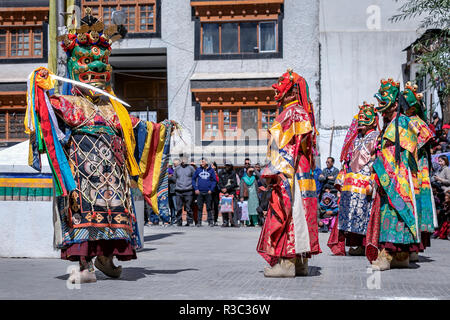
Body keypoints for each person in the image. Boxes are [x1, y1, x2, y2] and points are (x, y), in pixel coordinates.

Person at [25, 9, 176, 283]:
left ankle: (107, 258)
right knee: (82, 216)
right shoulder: (66, 102)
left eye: (101, 64)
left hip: (113, 177)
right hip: (82, 177)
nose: (96, 69)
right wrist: (38, 85)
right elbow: (42, 118)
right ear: (73, 67)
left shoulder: (113, 107)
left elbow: (135, 129)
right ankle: (83, 265)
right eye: (86, 62)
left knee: (115, 216)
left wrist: (161, 128)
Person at [257, 69, 321, 277]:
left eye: (281, 85)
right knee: (300, 212)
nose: (277, 89)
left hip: (290, 169)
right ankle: (300, 262)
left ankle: (286, 263)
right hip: (301, 169)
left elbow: (288, 146)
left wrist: (280, 172)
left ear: (293, 91)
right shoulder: (300, 112)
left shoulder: (292, 112)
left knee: (290, 211)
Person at [369, 78, 423, 271]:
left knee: (393, 213)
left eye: (384, 98)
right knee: (389, 213)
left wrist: (383, 168)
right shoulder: (390, 124)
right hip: (389, 174)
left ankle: (389, 255)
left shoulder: (402, 122)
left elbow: (404, 152)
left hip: (397, 176)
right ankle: (400, 257)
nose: (380, 103)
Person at [331, 102, 380, 256]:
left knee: (364, 213)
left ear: (373, 120)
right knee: (351, 214)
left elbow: (378, 159)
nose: (361, 121)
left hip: (366, 181)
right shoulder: (355, 139)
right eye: (360, 118)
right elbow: (348, 160)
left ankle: (366, 244)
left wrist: (374, 179)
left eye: (365, 117)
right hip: (351, 183)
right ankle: (355, 244)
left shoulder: (377, 137)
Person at [402, 82, 436, 260]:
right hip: (414, 170)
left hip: (414, 170)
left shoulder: (414, 123)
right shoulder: (411, 122)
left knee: (414, 204)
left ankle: (413, 247)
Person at [192, 158, 217, 227]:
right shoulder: (198, 170)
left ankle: (210, 222)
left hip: (208, 192)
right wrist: (196, 188)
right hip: (200, 192)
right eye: (201, 162)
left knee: (209, 208)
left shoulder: (211, 170)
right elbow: (193, 179)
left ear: (206, 162)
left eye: (202, 162)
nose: (201, 163)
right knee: (199, 208)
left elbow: (214, 181)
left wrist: (211, 189)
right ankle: (199, 222)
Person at [174, 157, 195, 226]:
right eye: (182, 160)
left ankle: (189, 221)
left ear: (187, 160)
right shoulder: (177, 168)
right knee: (179, 208)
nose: (183, 161)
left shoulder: (191, 168)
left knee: (189, 207)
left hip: (189, 190)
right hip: (178, 191)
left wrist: (194, 187)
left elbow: (194, 178)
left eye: (185, 159)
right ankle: (179, 221)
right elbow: (174, 178)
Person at [218, 160, 239, 227]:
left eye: (229, 165)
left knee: (234, 208)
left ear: (231, 166)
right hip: (223, 193)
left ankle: (234, 222)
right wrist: (223, 190)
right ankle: (225, 222)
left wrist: (227, 189)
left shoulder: (233, 173)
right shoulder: (221, 173)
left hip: (231, 193)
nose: (227, 166)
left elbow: (235, 184)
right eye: (226, 165)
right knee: (224, 208)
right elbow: (219, 183)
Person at [168, 159, 179, 224]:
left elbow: (175, 178)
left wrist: (170, 176)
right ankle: (173, 219)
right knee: (171, 206)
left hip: (174, 190)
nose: (171, 166)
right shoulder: (170, 170)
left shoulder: (175, 170)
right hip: (169, 191)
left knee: (175, 206)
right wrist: (170, 176)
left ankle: (177, 219)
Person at [211, 161, 220, 226]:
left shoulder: (218, 173)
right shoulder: (208, 172)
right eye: (211, 166)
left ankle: (215, 219)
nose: (212, 167)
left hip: (216, 191)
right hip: (210, 190)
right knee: (210, 205)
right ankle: (211, 219)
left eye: (213, 166)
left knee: (216, 205)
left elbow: (218, 180)